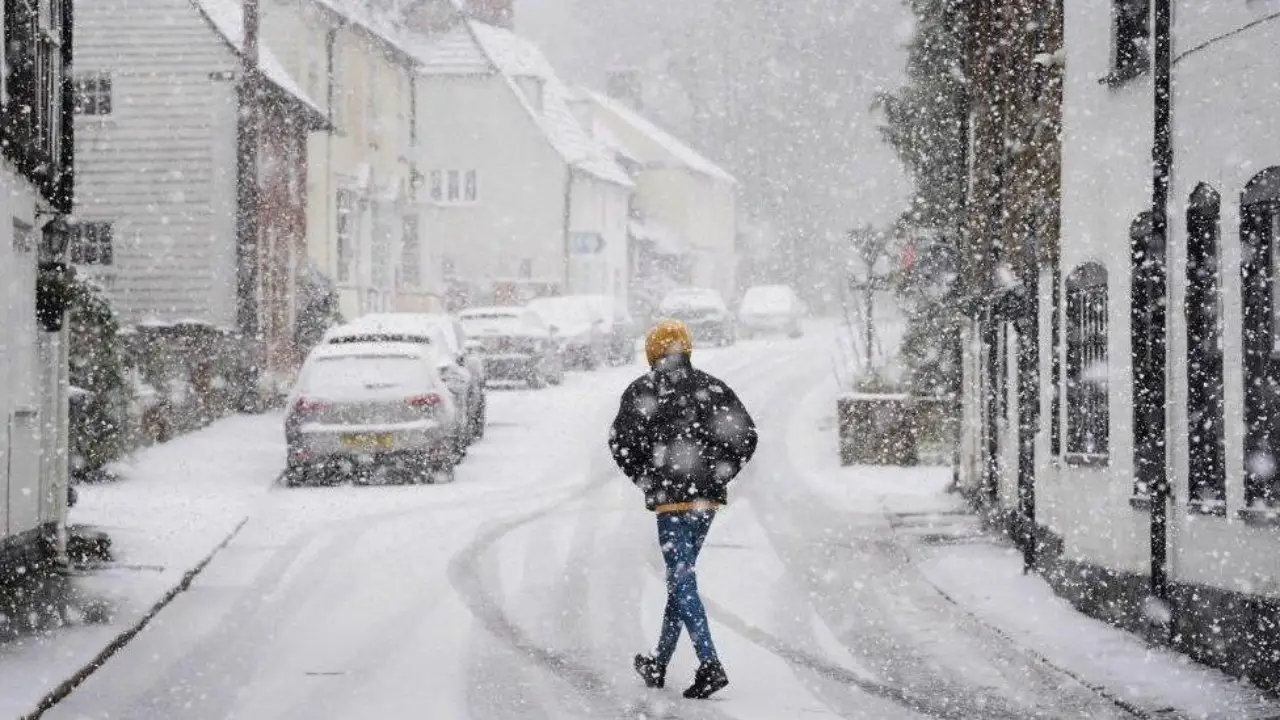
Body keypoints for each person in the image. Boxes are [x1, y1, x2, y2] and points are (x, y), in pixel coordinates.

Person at [608, 319, 758, 700]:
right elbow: (746, 436)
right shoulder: (713, 388)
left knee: (681, 579)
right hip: (705, 500)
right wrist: (720, 473)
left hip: (672, 503)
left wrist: (647, 478)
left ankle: (710, 662)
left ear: (651, 352)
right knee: (682, 579)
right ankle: (659, 661)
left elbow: (621, 443)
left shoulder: (643, 391)